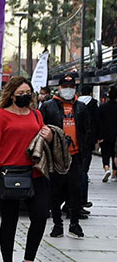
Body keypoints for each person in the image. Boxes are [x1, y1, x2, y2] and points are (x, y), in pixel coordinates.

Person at [0, 76, 53, 262]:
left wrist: (48, 135)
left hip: (35, 172)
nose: (25, 97)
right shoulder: (2, 116)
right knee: (10, 220)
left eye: (28, 93)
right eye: (20, 94)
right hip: (9, 173)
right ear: (11, 96)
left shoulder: (36, 114)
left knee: (41, 216)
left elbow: (43, 139)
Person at [40, 73, 90, 239]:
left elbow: (86, 130)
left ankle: (74, 224)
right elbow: (41, 128)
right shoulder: (48, 106)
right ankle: (57, 224)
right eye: (65, 87)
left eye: (71, 87)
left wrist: (85, 152)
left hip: (75, 155)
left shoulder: (81, 107)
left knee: (75, 190)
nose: (68, 90)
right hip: (56, 156)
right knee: (55, 191)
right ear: (59, 88)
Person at [78, 85, 100, 209]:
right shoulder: (93, 104)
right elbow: (97, 121)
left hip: (76, 140)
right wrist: (98, 136)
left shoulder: (76, 103)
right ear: (91, 93)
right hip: (88, 140)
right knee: (83, 170)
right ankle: (80, 200)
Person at [99, 85, 117, 182]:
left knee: (105, 153)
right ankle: (114, 174)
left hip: (105, 134)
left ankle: (106, 168)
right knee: (115, 154)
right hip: (115, 135)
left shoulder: (102, 107)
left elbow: (99, 121)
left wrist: (99, 135)